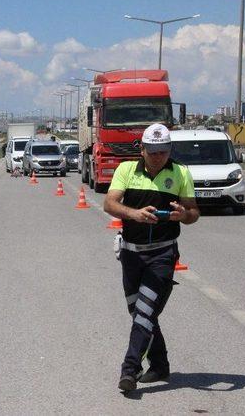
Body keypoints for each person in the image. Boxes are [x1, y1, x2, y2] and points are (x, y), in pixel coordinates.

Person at [103, 123, 200, 392]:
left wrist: (184, 214)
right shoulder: (126, 170)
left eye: (163, 151)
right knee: (139, 313)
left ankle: (129, 370)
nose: (158, 156)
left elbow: (194, 213)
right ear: (142, 149)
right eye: (153, 151)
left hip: (162, 254)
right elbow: (109, 203)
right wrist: (133, 214)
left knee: (144, 312)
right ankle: (159, 364)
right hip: (131, 254)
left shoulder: (181, 173)